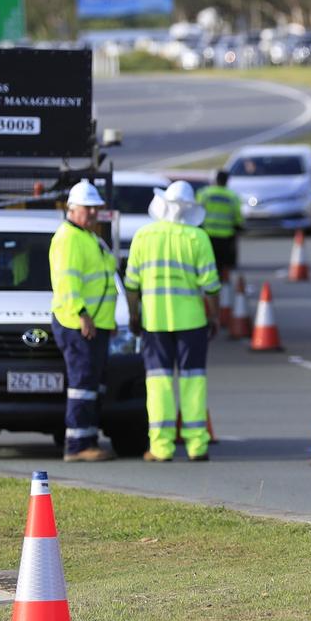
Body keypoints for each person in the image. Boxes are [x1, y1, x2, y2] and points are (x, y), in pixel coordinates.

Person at [125, 181, 220, 462]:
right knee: (194, 382)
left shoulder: (143, 236)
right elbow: (211, 285)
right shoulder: (197, 238)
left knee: (158, 384)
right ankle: (196, 445)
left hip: (154, 321)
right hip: (192, 321)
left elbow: (132, 284)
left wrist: (133, 315)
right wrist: (213, 316)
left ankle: (161, 447)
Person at [49, 179, 118, 462]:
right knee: (82, 383)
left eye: (95, 208)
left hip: (95, 324)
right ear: (72, 209)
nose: (92, 213)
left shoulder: (88, 237)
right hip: (78, 324)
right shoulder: (68, 239)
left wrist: (107, 320)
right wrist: (82, 314)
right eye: (87, 209)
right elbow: (67, 283)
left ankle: (88, 439)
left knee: (91, 384)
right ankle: (76, 445)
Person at [195, 170, 242, 279]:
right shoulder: (232, 196)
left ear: (216, 180)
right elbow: (237, 216)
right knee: (223, 264)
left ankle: (208, 282)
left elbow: (197, 211)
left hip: (208, 234)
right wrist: (238, 226)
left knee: (209, 261)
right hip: (225, 235)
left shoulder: (204, 193)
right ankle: (222, 285)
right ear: (227, 181)